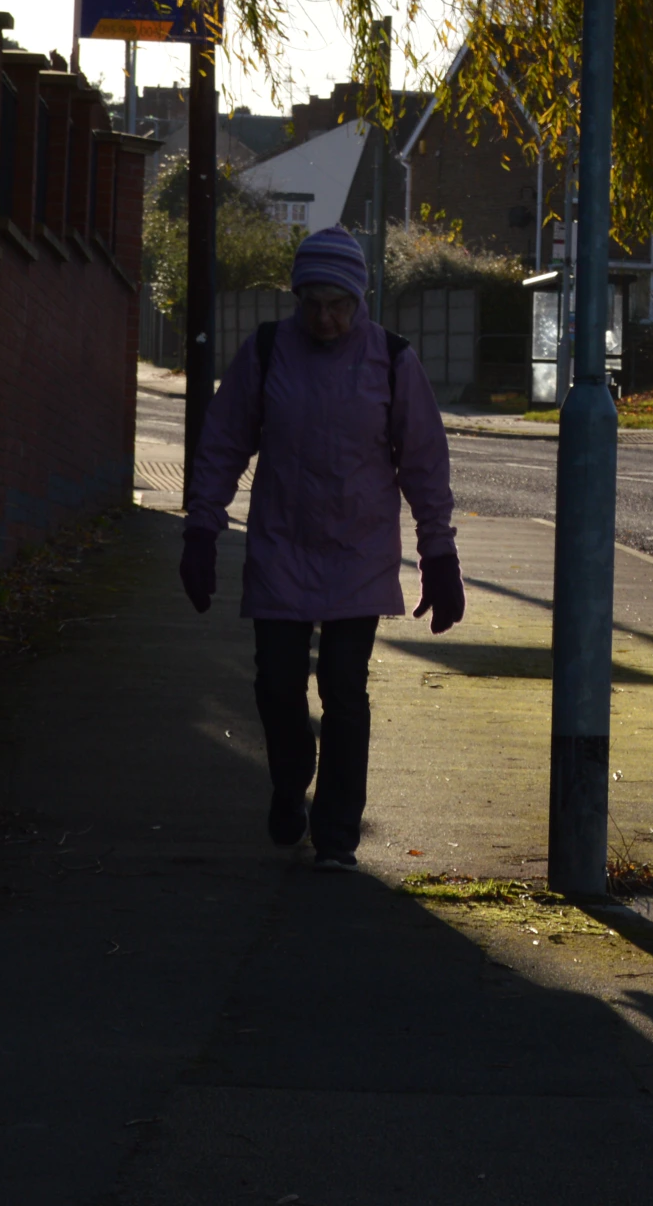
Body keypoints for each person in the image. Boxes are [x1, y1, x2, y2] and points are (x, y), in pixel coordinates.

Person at [181, 226, 462, 867]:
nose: (326, 318)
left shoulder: (391, 359)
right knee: (277, 686)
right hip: (281, 544)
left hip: (357, 554)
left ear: (359, 299)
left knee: (344, 688)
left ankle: (336, 831)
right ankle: (289, 779)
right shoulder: (269, 350)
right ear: (297, 298)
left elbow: (423, 463)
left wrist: (439, 556)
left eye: (339, 305)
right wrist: (202, 525)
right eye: (314, 304)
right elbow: (224, 442)